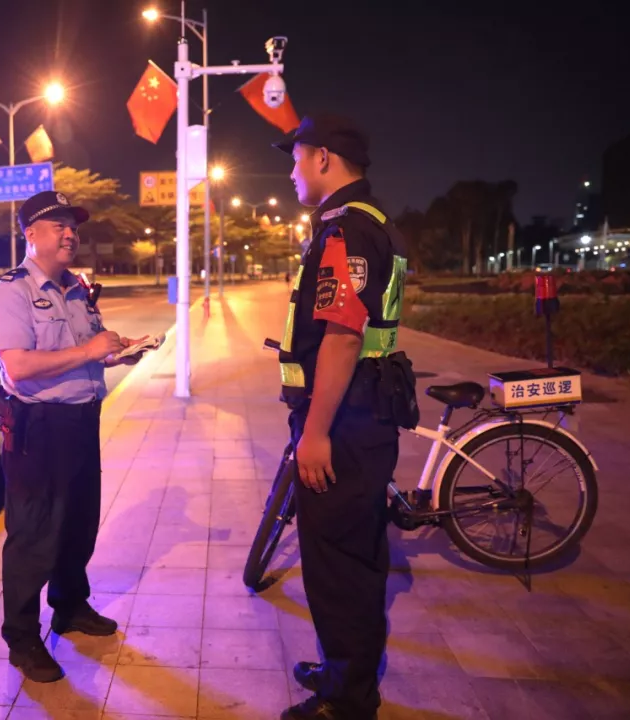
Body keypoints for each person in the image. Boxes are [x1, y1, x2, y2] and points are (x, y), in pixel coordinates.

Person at [272, 114, 414, 720]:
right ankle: (344, 671)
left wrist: (315, 433)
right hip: (365, 415)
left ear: (323, 158)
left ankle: (348, 699)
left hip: (344, 424)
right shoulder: (373, 222)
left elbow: (342, 336)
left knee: (337, 564)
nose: (292, 172)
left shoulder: (346, 230)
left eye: (297, 158)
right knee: (358, 555)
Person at [0, 190, 147, 683]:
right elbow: (17, 366)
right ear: (31, 234)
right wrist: (89, 352)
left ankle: (70, 606)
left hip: (81, 421)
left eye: (73, 226)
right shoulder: (12, 292)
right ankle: (22, 639)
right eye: (58, 226)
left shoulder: (75, 289)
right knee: (34, 535)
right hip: (39, 429)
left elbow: (80, 353)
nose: (70, 234)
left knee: (78, 523)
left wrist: (115, 354)